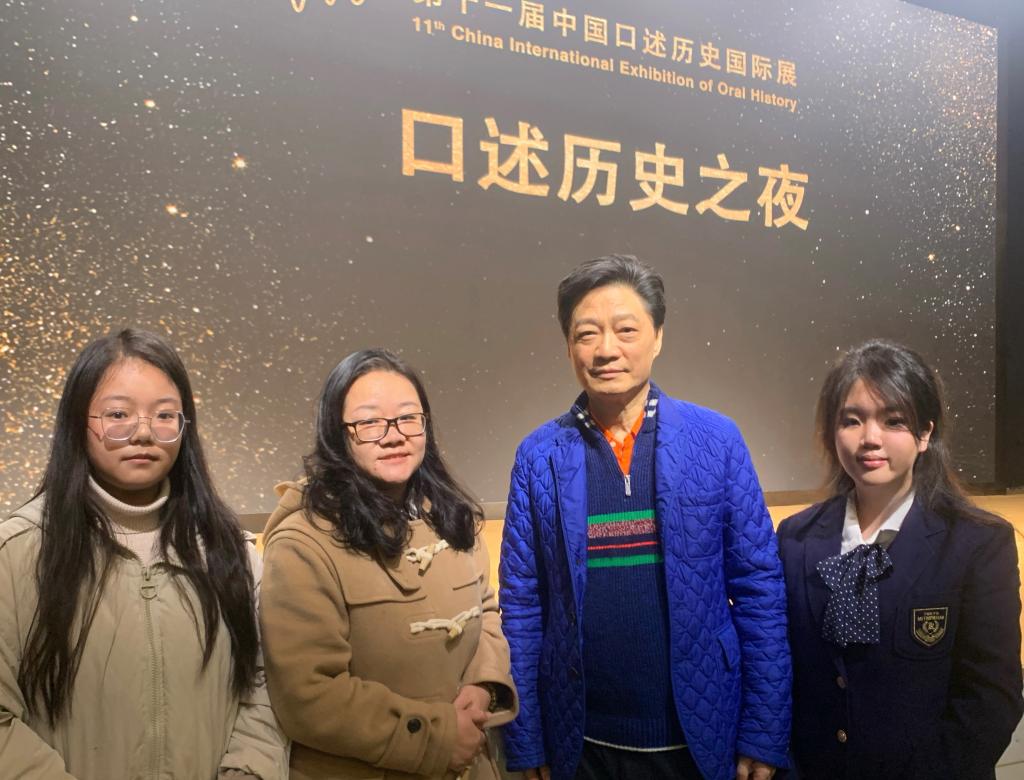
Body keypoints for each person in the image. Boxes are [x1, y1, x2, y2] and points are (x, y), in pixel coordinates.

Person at [499, 255, 791, 780]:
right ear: (569, 347)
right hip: (580, 742)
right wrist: (526, 740)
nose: (606, 349)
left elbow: (759, 589)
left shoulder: (716, 440)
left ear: (658, 337)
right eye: (586, 334)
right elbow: (522, 605)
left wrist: (764, 731)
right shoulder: (538, 456)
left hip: (700, 736)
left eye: (626, 330)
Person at [0, 328, 288, 779]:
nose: (143, 433)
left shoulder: (228, 549)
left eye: (164, 415)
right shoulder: (19, 552)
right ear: (78, 422)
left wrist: (247, 772)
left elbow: (266, 683)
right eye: (118, 414)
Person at [259, 348, 517, 779]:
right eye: (369, 423)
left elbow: (487, 613)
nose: (393, 435)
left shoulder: (454, 519)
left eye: (407, 418)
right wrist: (437, 738)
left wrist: (483, 686)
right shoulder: (303, 542)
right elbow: (308, 694)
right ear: (337, 434)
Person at [777, 339, 1024, 779]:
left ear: (925, 433)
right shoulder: (795, 538)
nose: (870, 438)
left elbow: (991, 698)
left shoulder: (978, 544)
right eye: (851, 420)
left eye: (893, 421)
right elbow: (783, 671)